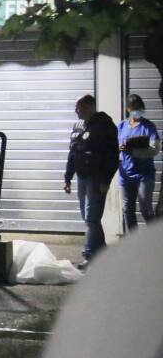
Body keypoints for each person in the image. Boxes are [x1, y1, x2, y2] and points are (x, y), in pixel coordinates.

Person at [63, 95, 119, 268]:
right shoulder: (79, 126)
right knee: (88, 218)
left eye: (78, 107)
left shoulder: (104, 125)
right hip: (82, 177)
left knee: (92, 218)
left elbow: (112, 156)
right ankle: (103, 255)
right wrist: (67, 178)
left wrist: (105, 180)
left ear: (88, 107)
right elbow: (73, 153)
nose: (75, 111)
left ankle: (90, 255)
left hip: (96, 178)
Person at [117, 94, 160, 231]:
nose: (138, 111)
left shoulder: (149, 127)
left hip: (144, 175)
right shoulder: (121, 126)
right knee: (127, 210)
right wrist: (120, 147)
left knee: (145, 209)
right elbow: (114, 146)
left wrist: (134, 152)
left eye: (140, 108)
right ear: (128, 109)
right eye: (135, 108)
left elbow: (155, 149)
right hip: (125, 175)